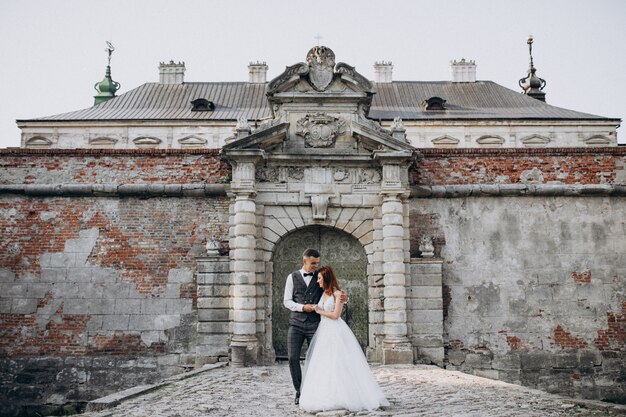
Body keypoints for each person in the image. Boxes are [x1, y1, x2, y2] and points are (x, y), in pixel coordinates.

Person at [299, 266, 389, 412]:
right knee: (324, 363)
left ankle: (345, 395)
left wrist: (320, 311)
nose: (317, 282)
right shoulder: (324, 294)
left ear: (327, 279)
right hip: (324, 331)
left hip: (335, 331)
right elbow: (322, 307)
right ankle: (324, 393)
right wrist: (316, 307)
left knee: (338, 362)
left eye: (320, 279)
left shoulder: (338, 294)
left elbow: (335, 315)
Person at [283, 248, 347, 405]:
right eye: (313, 263)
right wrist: (303, 308)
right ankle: (299, 391)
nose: (315, 266)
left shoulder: (320, 277)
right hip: (296, 324)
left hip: (316, 325)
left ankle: (315, 390)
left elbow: (331, 291)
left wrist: (342, 297)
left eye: (317, 263)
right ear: (304, 261)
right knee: (292, 358)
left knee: (316, 359)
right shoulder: (292, 277)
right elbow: (287, 301)